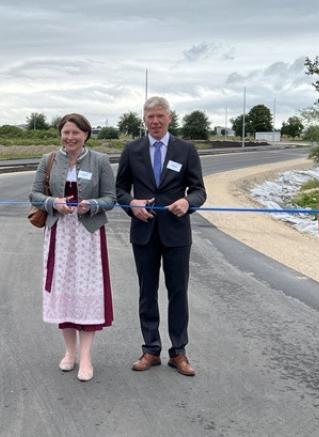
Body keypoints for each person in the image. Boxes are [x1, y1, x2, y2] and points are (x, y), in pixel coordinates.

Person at [115, 96, 206, 377]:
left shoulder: (186, 149)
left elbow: (199, 190)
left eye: (160, 116)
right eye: (150, 116)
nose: (155, 121)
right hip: (143, 233)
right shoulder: (132, 149)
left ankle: (178, 352)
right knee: (147, 292)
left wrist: (188, 203)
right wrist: (132, 204)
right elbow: (119, 189)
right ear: (144, 119)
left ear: (169, 118)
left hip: (176, 233)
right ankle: (150, 349)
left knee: (178, 293)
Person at [29, 113, 116, 382]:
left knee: (87, 292)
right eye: (66, 132)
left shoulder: (100, 161)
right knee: (64, 291)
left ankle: (86, 358)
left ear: (86, 135)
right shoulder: (49, 160)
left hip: (88, 234)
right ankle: (69, 352)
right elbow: (34, 194)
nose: (70, 137)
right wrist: (53, 203)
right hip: (60, 233)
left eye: (75, 133)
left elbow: (111, 198)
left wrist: (93, 205)